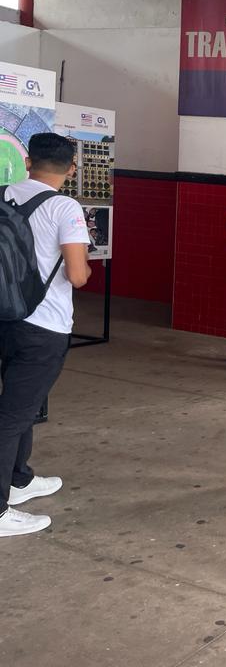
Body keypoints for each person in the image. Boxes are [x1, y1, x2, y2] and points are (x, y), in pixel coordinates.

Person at [0, 133, 91, 538]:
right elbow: (77, 275)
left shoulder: (3, 194)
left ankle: (19, 479)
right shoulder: (64, 207)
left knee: (23, 404)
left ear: (29, 161)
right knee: (13, 414)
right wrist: (85, 269)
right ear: (71, 168)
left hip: (4, 317)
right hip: (44, 325)